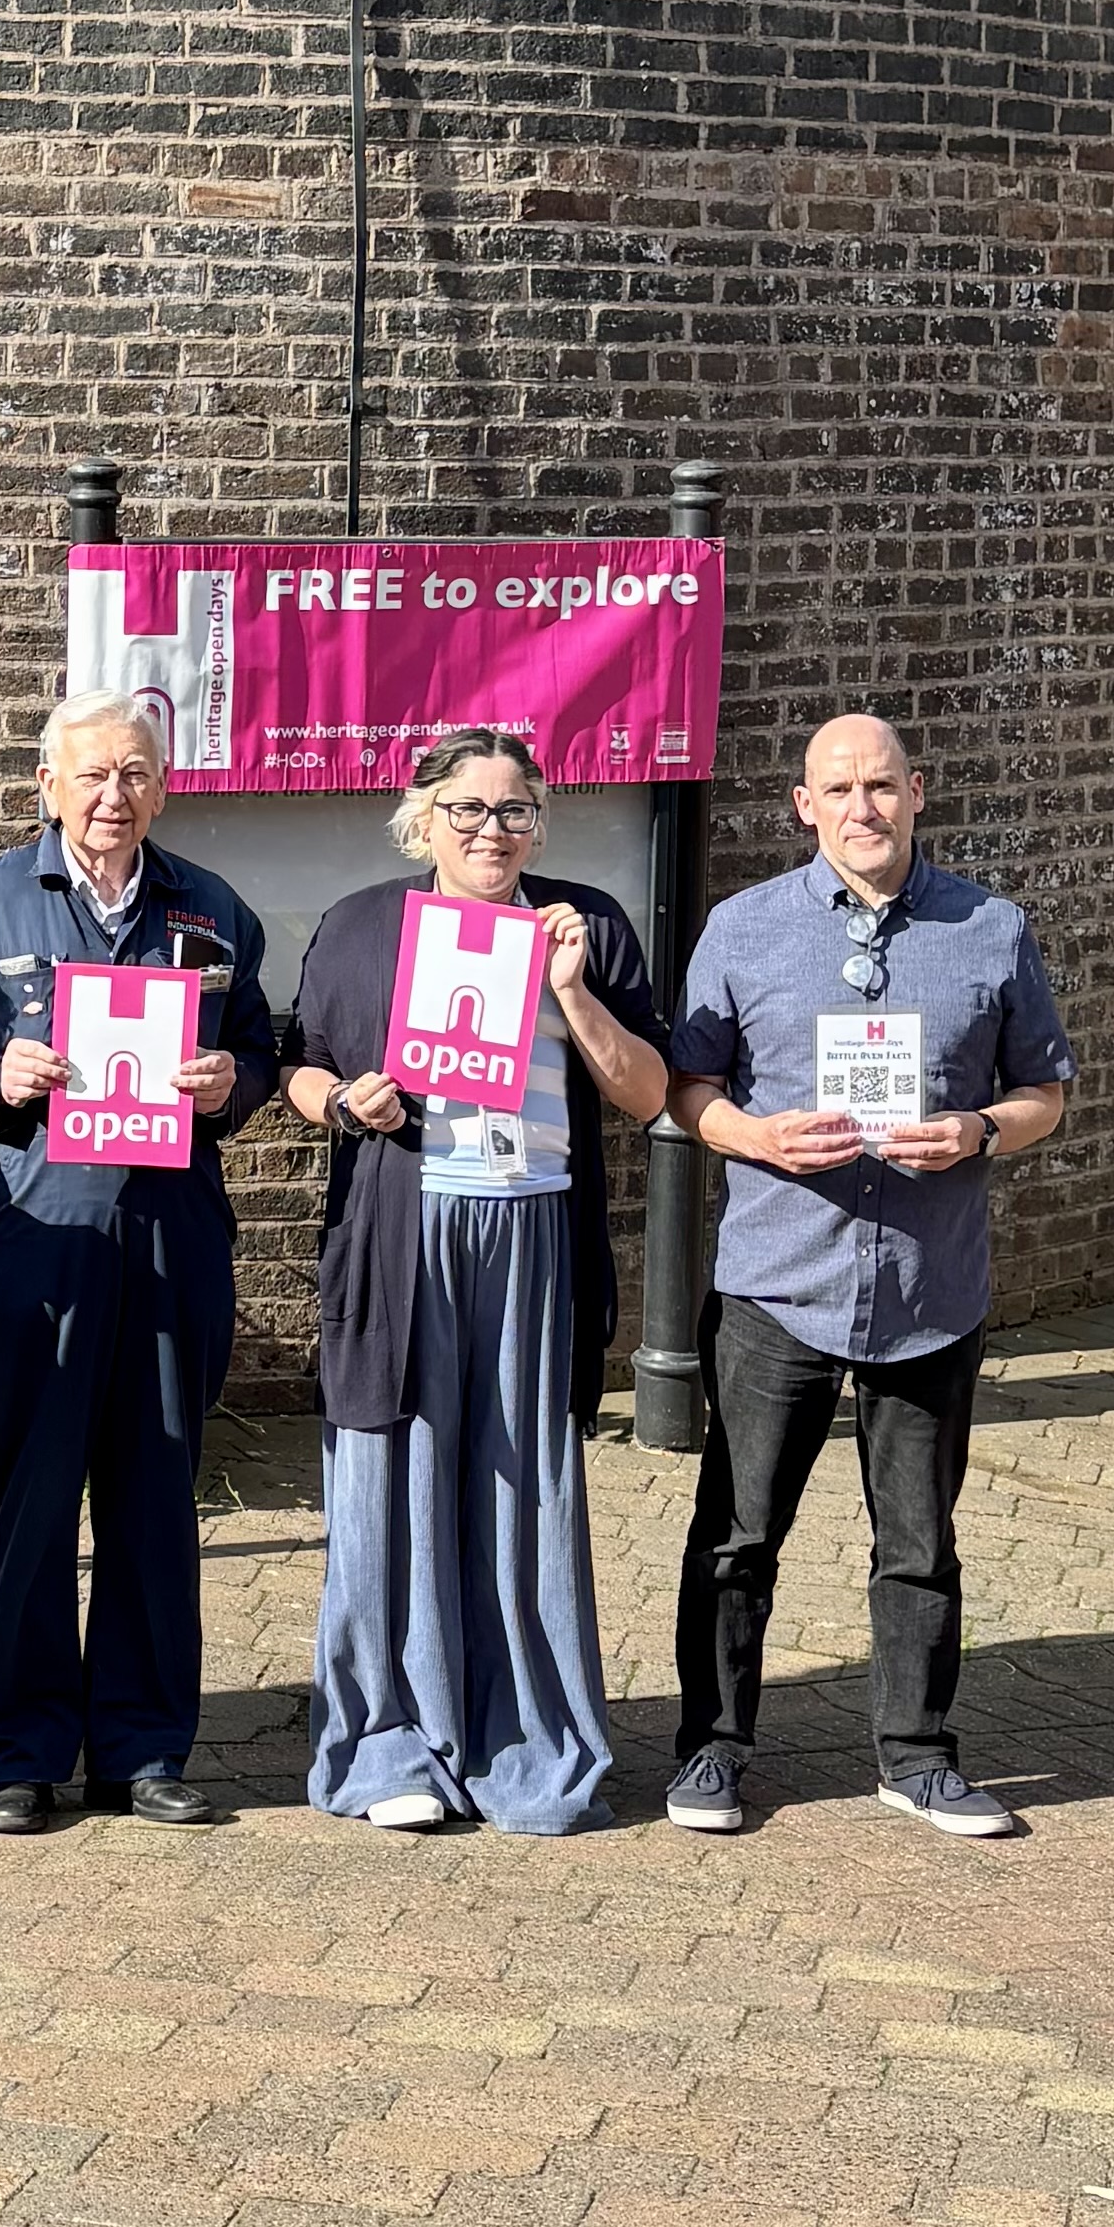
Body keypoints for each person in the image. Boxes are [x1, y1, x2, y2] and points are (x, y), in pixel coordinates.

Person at [661, 712, 1074, 1842]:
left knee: (919, 1542)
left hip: (926, 1291)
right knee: (737, 1534)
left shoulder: (989, 928)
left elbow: (1044, 1088)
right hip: (776, 1284)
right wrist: (754, 1137)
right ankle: (711, 1746)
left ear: (917, 791)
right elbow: (685, 1089)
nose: (861, 806)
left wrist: (980, 1130)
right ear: (802, 805)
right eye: (837, 787)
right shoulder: (741, 930)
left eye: (880, 785)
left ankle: (916, 1754)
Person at [0, 687, 277, 1836]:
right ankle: (20, 1750)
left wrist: (232, 1086)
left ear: (161, 789)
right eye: (92, 774)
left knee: (155, 1497)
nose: (113, 794)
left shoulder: (207, 908)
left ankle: (143, 1746)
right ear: (48, 786)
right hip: (40, 1234)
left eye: (134, 774)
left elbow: (258, 1046)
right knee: (28, 1498)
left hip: (168, 1239)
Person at [286, 729, 668, 1835]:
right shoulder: (361, 925)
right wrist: (338, 1101)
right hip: (405, 1231)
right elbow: (303, 1059)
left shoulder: (582, 920)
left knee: (515, 1485)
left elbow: (647, 1091)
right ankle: (387, 1739)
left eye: (512, 809)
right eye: (466, 808)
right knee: (390, 1480)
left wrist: (572, 989)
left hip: (529, 1234)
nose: (489, 830)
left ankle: (522, 1735)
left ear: (538, 821)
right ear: (423, 817)